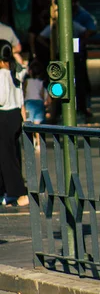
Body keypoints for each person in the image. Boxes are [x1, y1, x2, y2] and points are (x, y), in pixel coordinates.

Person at [0, 40, 28, 207]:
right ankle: (7, 192)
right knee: (12, 155)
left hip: (3, 116)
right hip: (15, 115)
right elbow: (20, 97)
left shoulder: (2, 74)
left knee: (6, 158)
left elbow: (1, 98)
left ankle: (18, 193)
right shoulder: (15, 71)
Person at [23, 60, 48, 149]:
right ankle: (38, 143)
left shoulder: (27, 82)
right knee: (38, 124)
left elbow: (24, 92)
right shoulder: (41, 83)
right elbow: (42, 94)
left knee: (29, 123)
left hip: (29, 103)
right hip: (39, 103)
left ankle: (31, 141)